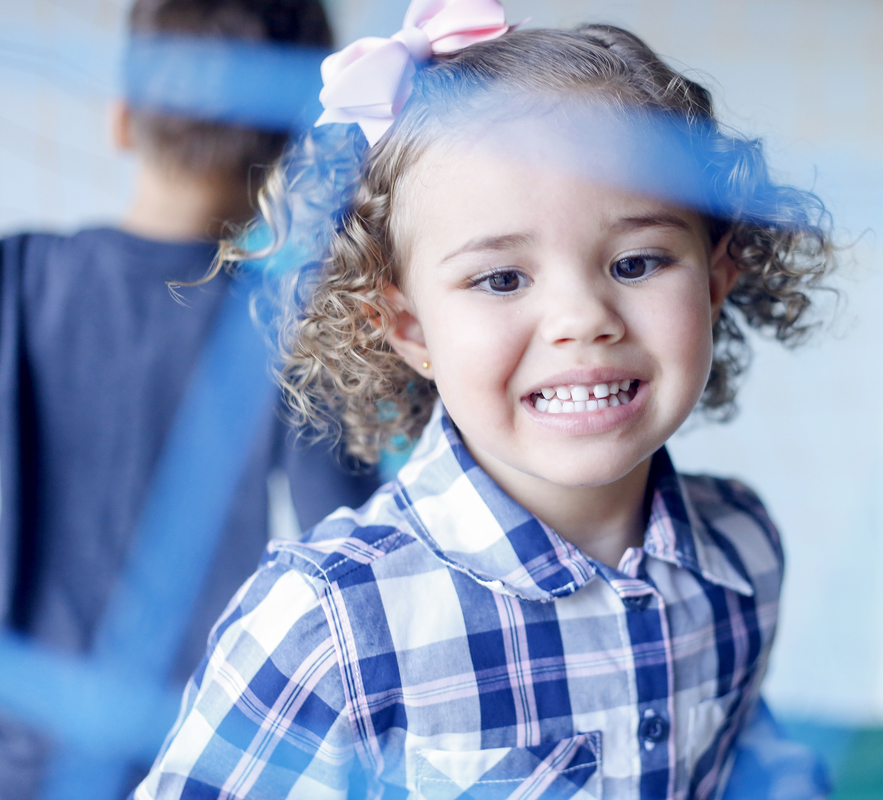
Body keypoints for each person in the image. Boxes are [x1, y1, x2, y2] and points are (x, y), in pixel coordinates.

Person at [136, 0, 834, 797]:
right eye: (502, 279)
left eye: (637, 262)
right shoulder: (330, 624)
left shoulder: (743, 550)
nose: (582, 320)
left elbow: (745, 755)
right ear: (408, 327)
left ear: (715, 280)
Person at [0, 0, 379, 796]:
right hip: (195, 755)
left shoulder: (18, 274)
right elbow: (351, 539)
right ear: (285, 147)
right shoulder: (286, 322)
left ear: (124, 119)